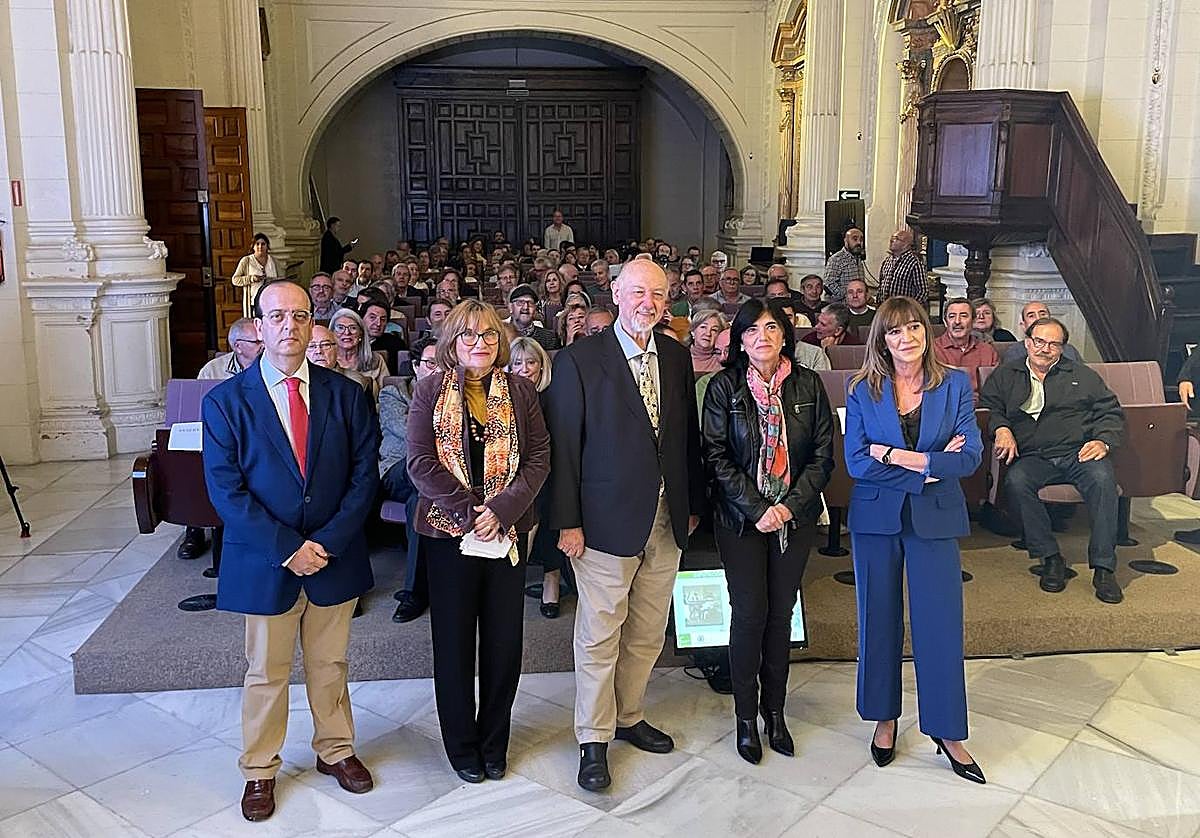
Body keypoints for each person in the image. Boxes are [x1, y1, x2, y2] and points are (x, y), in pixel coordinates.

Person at [202, 280, 380, 821]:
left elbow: (363, 478)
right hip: (266, 560)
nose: (289, 327)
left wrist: (323, 543)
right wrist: (289, 548)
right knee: (266, 671)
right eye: (277, 316)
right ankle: (260, 770)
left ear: (311, 323)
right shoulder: (227, 402)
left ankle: (336, 750)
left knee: (330, 664)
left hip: (333, 554)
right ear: (258, 326)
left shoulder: (346, 394)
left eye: (300, 316)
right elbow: (225, 491)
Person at [545, 259, 705, 793]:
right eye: (638, 292)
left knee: (647, 631)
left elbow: (686, 440)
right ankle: (593, 737)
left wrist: (691, 504)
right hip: (603, 524)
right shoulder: (578, 360)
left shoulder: (679, 359)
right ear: (615, 293)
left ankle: (629, 714)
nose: (648, 303)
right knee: (599, 633)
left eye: (658, 294)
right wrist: (567, 522)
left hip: (666, 521)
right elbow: (564, 448)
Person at [406, 300, 550, 783]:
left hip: (507, 535)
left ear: (501, 340)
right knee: (453, 645)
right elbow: (419, 463)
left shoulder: (522, 391)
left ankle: (494, 742)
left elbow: (539, 461)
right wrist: (472, 514)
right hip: (449, 537)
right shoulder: (428, 391)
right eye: (468, 335)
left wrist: (501, 512)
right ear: (451, 342)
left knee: (504, 644)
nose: (480, 343)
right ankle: (462, 746)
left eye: (489, 335)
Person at [844, 295, 985, 784]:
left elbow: (969, 458)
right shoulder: (863, 388)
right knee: (877, 619)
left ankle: (948, 731)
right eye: (895, 331)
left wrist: (903, 459)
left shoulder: (956, 385)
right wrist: (928, 465)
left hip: (937, 518)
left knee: (940, 624)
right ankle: (885, 718)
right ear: (881, 339)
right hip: (876, 520)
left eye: (914, 329)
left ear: (927, 332)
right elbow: (857, 461)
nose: (906, 339)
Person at [702, 297, 833, 764]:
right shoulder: (724, 387)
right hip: (740, 519)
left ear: (785, 336)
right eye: (753, 330)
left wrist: (788, 507)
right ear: (740, 339)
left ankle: (774, 713)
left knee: (781, 615)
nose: (763, 337)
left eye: (772, 329)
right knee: (750, 614)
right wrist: (758, 507)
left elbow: (822, 457)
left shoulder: (808, 384)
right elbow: (715, 456)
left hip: (791, 520)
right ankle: (744, 719)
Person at [979, 316, 1125, 603]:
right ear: (1027, 342)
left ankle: (1104, 567)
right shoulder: (1006, 374)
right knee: (1017, 482)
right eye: (1039, 341)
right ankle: (1049, 557)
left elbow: (1110, 411)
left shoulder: (1082, 375)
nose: (1045, 348)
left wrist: (1103, 440)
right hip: (1034, 455)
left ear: (1062, 348)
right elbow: (989, 406)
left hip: (1078, 453)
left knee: (1104, 480)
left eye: (1053, 344)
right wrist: (1002, 428)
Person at [507, 337, 568, 617]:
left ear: (542, 366)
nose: (524, 368)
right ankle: (514, 580)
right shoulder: (501, 398)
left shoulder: (554, 397)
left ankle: (550, 580)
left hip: (551, 471)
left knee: (548, 500)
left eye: (531, 362)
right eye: (517, 363)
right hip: (513, 475)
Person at [385, 336, 439, 623]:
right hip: (397, 470)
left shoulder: (454, 395)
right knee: (418, 466)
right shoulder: (394, 393)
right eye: (430, 363)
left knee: (420, 503)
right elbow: (408, 431)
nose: (437, 368)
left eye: (443, 363)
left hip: (429, 481)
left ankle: (414, 593)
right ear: (416, 367)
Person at [933, 298, 999, 399]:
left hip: (982, 409)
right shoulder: (932, 350)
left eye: (963, 316)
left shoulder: (988, 351)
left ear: (973, 321)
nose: (957, 321)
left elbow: (998, 389)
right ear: (945, 322)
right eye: (952, 316)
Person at [330, 307, 390, 400]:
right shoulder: (325, 361)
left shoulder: (376, 360)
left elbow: (387, 396)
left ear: (361, 334)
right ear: (331, 333)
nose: (347, 332)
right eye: (340, 328)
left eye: (353, 328)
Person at [1003, 301, 1082, 361]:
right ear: (1023, 325)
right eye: (1031, 316)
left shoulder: (1069, 350)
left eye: (1043, 314)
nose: (1038, 318)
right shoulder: (1014, 352)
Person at [232, 234, 280, 319]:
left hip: (271, 301)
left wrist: (273, 280)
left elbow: (280, 278)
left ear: (267, 246)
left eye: (263, 244)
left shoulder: (273, 261)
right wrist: (251, 278)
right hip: (254, 302)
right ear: (253, 246)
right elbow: (235, 280)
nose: (260, 246)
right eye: (257, 244)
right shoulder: (246, 261)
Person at [361, 295, 407, 374]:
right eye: (372, 317)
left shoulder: (396, 344)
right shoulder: (352, 342)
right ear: (361, 318)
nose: (378, 323)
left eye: (383, 319)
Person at [878, 229, 927, 303]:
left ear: (906, 244)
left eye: (896, 239)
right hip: (886, 308)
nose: (891, 241)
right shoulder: (887, 261)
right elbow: (881, 284)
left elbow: (923, 291)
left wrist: (911, 307)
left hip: (903, 310)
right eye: (892, 238)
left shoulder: (914, 263)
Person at [508, 283, 561, 350]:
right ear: (511, 307)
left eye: (530, 303)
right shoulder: (501, 335)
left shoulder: (550, 338)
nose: (525, 307)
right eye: (520, 302)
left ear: (535, 308)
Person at [823, 228, 865, 302]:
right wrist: (849, 294)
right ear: (846, 240)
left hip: (855, 305)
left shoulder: (858, 259)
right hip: (840, 307)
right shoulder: (837, 259)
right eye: (855, 239)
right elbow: (829, 283)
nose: (859, 242)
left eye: (861, 240)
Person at [689, 310, 728, 374]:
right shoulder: (680, 356)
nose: (708, 334)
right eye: (703, 327)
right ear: (692, 331)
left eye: (714, 330)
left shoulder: (723, 360)